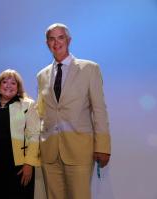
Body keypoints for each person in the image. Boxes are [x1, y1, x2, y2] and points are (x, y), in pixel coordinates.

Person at [37, 23, 111, 199]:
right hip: (49, 151)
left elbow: (99, 109)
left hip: (79, 149)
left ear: (68, 40)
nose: (56, 42)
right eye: (51, 39)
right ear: (47, 43)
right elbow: (43, 112)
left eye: (60, 37)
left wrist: (103, 146)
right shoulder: (42, 75)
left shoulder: (89, 69)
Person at [0, 69, 40, 199]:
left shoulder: (27, 105)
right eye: (4, 82)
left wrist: (29, 164)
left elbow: (34, 135)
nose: (8, 85)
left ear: (18, 88)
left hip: (19, 166)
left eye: (13, 83)